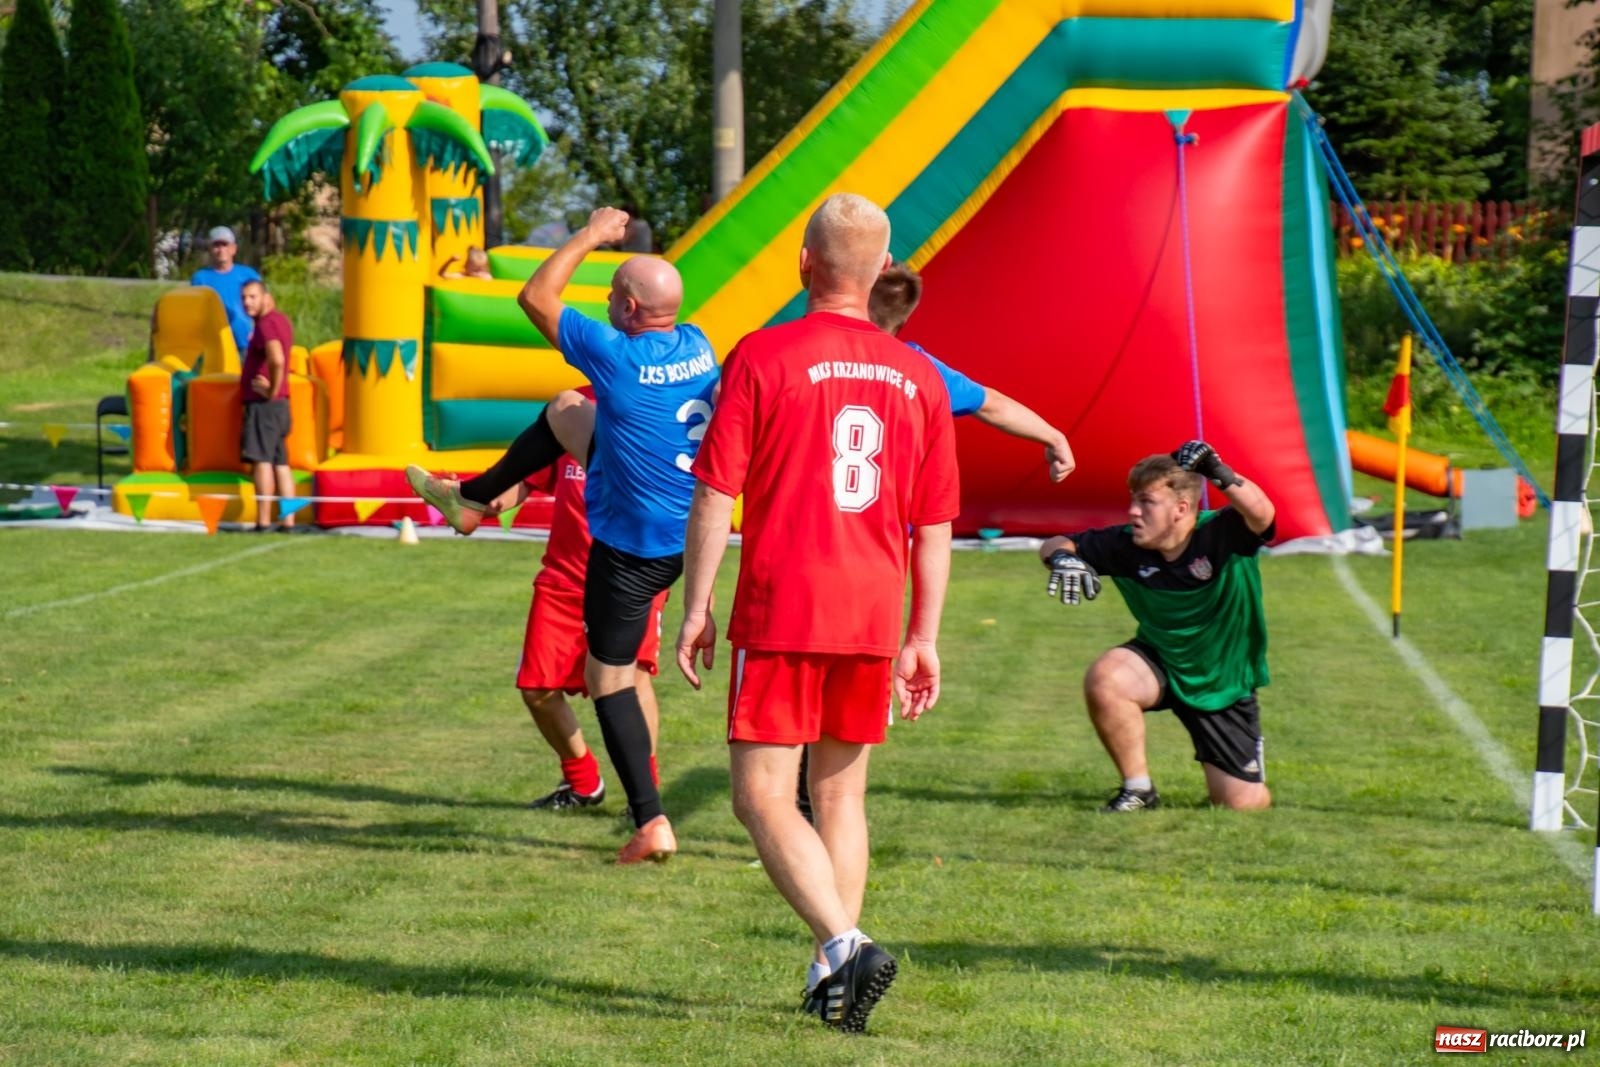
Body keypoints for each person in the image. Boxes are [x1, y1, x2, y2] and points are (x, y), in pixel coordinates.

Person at [676, 193, 960, 1033]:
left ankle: (843, 941)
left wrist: (695, 605)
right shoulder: (919, 375)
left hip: (784, 603)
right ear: (881, 270)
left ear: (804, 264)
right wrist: (924, 635)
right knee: (839, 797)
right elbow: (934, 522)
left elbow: (715, 490)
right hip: (874, 607)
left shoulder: (762, 354)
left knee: (763, 795)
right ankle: (833, 976)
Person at [406, 206, 718, 864]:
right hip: (675, 538)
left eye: (610, 297)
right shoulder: (697, 344)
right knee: (564, 408)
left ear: (630, 309)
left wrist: (590, 236)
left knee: (612, 678)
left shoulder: (615, 355)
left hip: (629, 549)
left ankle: (650, 816)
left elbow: (534, 296)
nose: (604, 305)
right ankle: (472, 499)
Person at [791, 261, 1077, 821]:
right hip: (878, 564)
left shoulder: (801, 352)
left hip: (804, 551)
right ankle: (823, 823)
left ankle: (794, 820)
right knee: (845, 711)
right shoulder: (917, 370)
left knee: (792, 702)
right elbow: (990, 402)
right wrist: (1054, 434)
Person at [1038, 442, 1275, 813]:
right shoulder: (1126, 544)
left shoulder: (1224, 534)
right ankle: (1138, 790)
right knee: (1107, 678)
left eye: (1146, 502)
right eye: (1133, 499)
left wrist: (1218, 471)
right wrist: (1063, 559)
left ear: (1181, 508)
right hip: (1161, 661)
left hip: (1223, 682)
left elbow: (1263, 513)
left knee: (1243, 805)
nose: (1133, 511)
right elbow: (1054, 543)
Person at [493, 387, 669, 811]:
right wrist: (472, 496)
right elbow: (521, 482)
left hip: (632, 577)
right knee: (537, 689)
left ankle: (644, 794)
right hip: (563, 582)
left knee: (631, 679)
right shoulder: (572, 409)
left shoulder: (661, 407)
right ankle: (584, 782)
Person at [239, 280, 296, 532]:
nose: (247, 302)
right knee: (281, 463)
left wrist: (271, 390)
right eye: (244, 298)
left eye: (252, 297)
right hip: (280, 405)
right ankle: (288, 521)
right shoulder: (281, 320)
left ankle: (262, 521)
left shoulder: (266, 324)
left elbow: (278, 359)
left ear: (266, 297)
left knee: (261, 460)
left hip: (265, 406)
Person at [192, 226, 261, 353]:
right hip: (215, 346)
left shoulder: (248, 274)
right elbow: (195, 313)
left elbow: (262, 306)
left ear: (233, 249)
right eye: (216, 246)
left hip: (246, 342)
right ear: (210, 250)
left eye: (225, 245)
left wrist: (259, 331)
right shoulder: (200, 278)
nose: (221, 250)